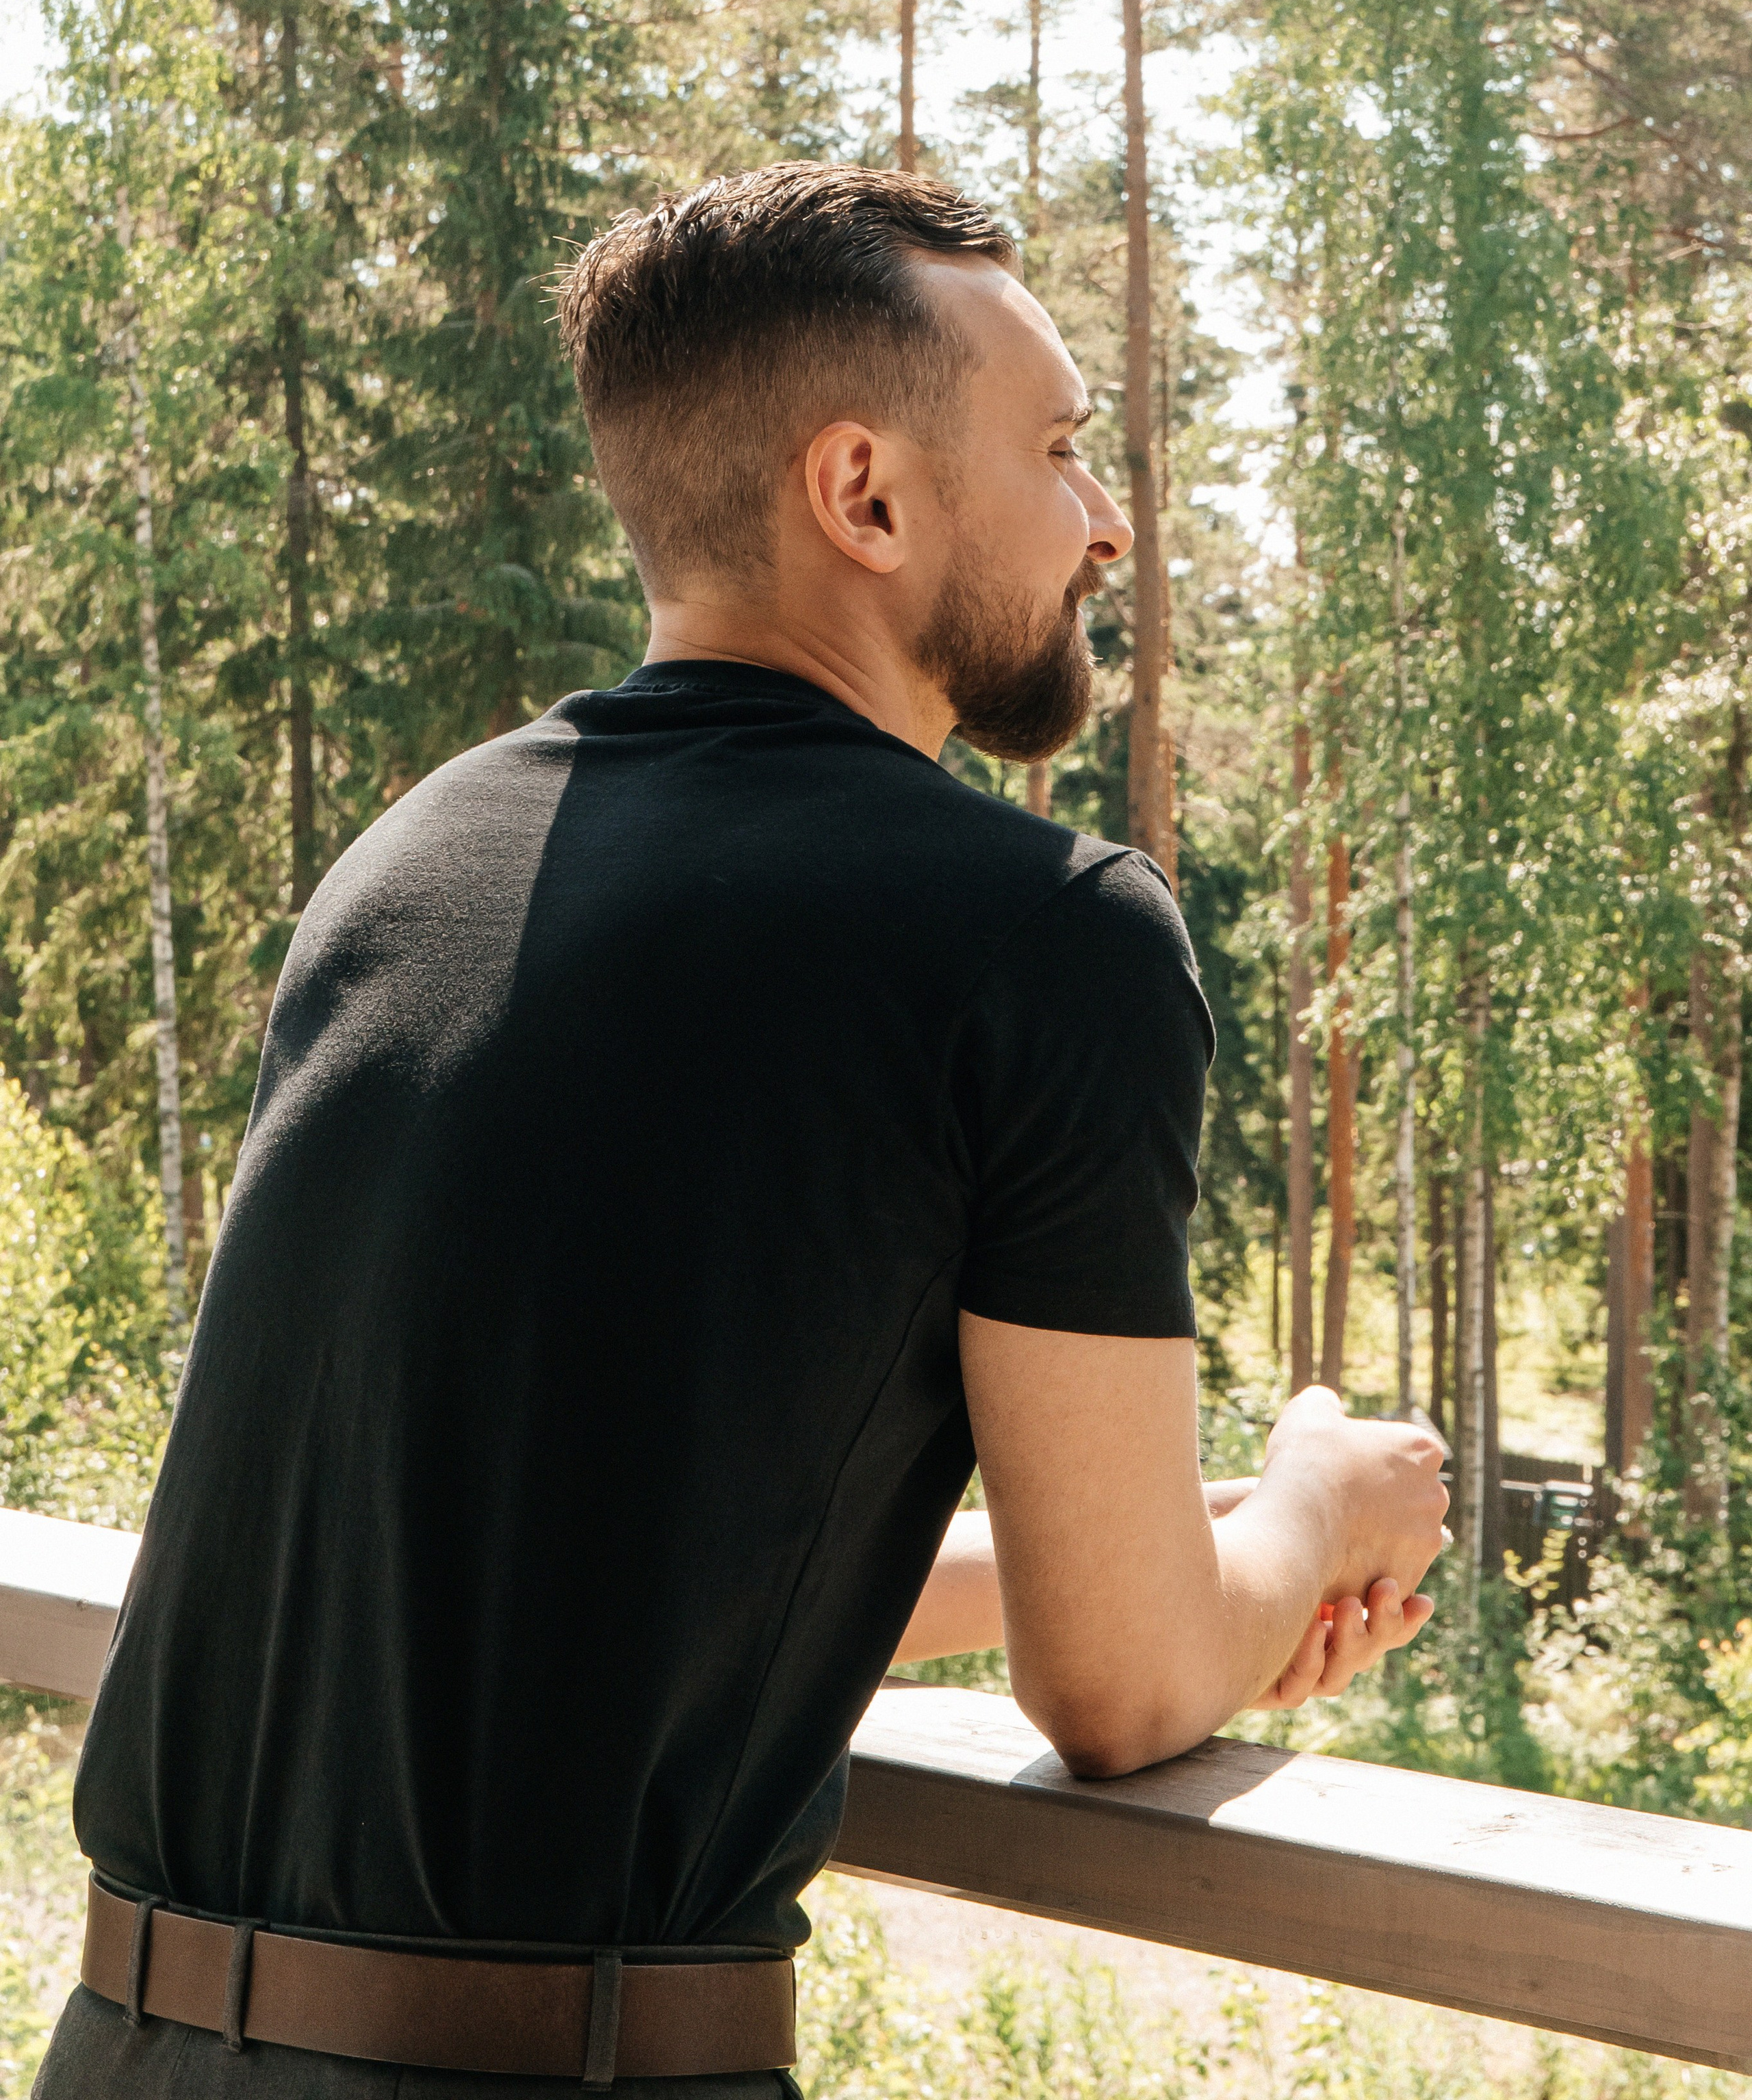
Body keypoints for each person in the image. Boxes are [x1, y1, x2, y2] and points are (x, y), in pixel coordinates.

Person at [38, 165, 1447, 2100]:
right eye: (1059, 452)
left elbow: (617, 1557)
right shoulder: (1044, 938)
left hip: (124, 2044)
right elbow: (1119, 1694)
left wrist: (1169, 1527)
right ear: (863, 494)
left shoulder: (413, 869)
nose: (1110, 525)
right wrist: (1313, 1502)